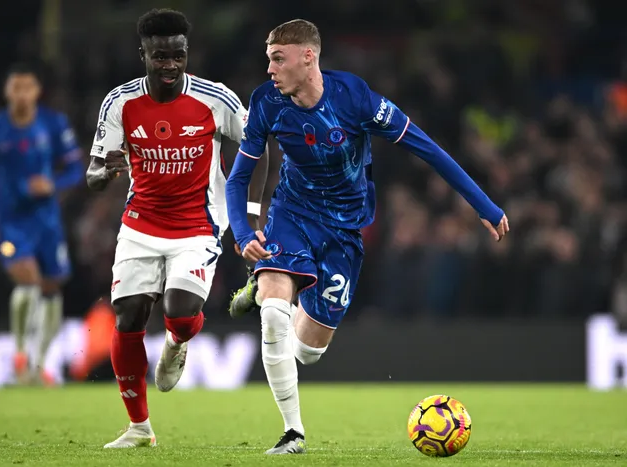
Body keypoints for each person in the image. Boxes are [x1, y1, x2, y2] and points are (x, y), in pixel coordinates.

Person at [225, 19, 509, 454]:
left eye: (278, 59)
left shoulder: (355, 98)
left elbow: (426, 147)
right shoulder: (266, 102)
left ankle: (271, 292)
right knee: (274, 315)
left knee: (307, 351)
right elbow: (238, 177)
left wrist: (483, 204)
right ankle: (292, 432)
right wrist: (244, 230)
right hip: (291, 215)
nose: (270, 69)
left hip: (343, 229)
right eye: (269, 59)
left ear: (308, 57)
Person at [86, 8, 268, 448]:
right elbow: (93, 173)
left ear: (187, 53)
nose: (170, 64)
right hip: (140, 224)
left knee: (181, 314)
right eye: (160, 56)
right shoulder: (119, 103)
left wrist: (251, 215)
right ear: (143, 54)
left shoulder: (215, 99)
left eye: (178, 56)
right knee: (128, 316)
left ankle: (176, 341)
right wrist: (104, 172)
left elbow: (258, 147)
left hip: (198, 225)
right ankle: (139, 428)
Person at [0, 63, 83, 386]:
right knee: (28, 280)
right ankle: (20, 357)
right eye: (15, 87)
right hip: (11, 222)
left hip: (47, 222)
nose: (21, 94)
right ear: (7, 91)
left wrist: (53, 184)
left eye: (27, 87)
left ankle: (40, 365)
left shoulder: (54, 124)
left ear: (37, 91)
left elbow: (76, 169)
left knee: (51, 288)